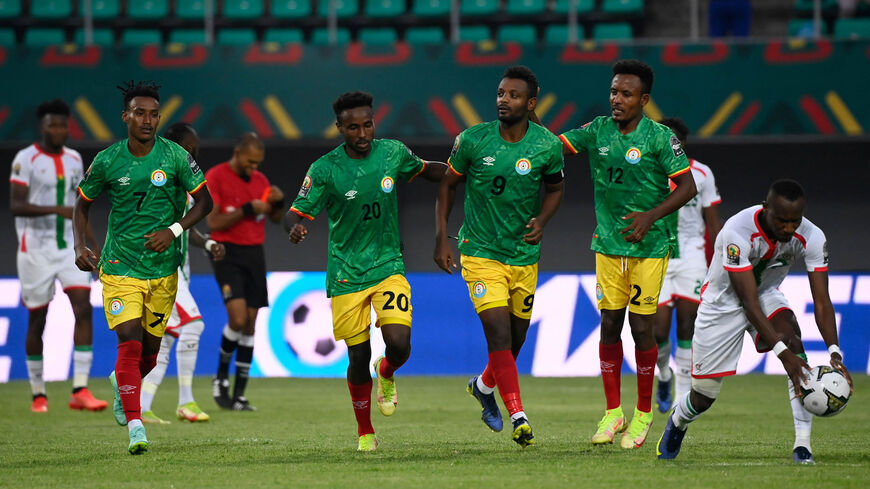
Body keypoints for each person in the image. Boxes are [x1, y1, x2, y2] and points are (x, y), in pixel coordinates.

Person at [287, 91, 446, 451]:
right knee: (357, 358)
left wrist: (461, 172)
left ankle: (387, 370)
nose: (362, 133)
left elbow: (426, 170)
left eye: (368, 124)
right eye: (353, 127)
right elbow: (294, 212)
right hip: (345, 275)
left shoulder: (392, 153)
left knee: (399, 345)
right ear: (340, 128)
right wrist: (294, 227)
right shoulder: (324, 169)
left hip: (388, 265)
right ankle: (365, 431)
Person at [657, 179, 853, 464]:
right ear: (766, 208)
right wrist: (782, 356)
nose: (788, 228)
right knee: (704, 397)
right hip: (723, 303)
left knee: (793, 340)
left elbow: (822, 300)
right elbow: (746, 303)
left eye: (795, 221)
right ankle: (678, 420)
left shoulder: (812, 237)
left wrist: (834, 351)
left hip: (766, 294)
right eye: (782, 221)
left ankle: (803, 446)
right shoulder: (737, 232)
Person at [558, 59, 696, 449]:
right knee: (608, 325)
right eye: (614, 91)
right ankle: (612, 412)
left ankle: (644, 414)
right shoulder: (598, 130)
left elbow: (686, 188)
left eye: (626, 94)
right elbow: (557, 148)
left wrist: (651, 217)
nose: (617, 99)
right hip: (607, 245)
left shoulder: (659, 138)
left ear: (644, 99)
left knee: (642, 329)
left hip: (649, 247)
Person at [74, 81, 213, 454]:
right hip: (120, 267)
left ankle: (124, 385)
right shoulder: (107, 160)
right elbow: (82, 203)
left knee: (150, 353)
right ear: (126, 116)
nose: (147, 120)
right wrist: (80, 245)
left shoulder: (176, 157)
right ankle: (137, 426)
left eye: (153, 114)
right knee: (130, 341)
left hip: (164, 272)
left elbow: (205, 202)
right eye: (140, 113)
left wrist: (173, 230)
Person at [434, 66, 565, 448]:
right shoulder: (472, 140)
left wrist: (542, 219)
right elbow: (447, 187)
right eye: (500, 93)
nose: (503, 100)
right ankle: (519, 416)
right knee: (498, 333)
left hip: (523, 255)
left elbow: (555, 189)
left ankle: (483, 385)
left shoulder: (547, 145)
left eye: (513, 95)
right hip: (480, 252)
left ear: (531, 103)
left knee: (516, 340)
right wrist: (442, 237)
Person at [10, 99, 108, 413]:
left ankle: (80, 388)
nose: (59, 130)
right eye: (53, 124)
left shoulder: (75, 159)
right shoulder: (25, 159)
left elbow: (80, 207)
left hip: (69, 246)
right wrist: (58, 209)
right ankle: (38, 392)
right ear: (42, 127)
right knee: (38, 319)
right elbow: (16, 205)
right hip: (35, 250)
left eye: (63, 125)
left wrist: (94, 245)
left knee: (83, 307)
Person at [140, 122, 226, 424]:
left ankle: (142, 406)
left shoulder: (185, 183)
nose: (193, 156)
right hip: (163, 271)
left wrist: (208, 242)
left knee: (163, 341)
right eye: (189, 150)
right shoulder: (162, 181)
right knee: (193, 325)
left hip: (180, 271)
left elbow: (184, 229)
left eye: (196, 151)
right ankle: (186, 401)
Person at [207, 132, 284, 412]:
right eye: (250, 162)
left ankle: (239, 394)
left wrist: (278, 203)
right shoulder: (216, 177)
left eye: (258, 163)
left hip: (254, 253)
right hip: (226, 251)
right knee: (237, 319)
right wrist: (247, 208)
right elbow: (214, 220)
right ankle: (219, 380)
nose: (254, 168)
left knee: (251, 323)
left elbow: (274, 219)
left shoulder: (261, 181)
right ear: (238, 152)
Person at [653, 117, 722, 413]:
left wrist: (720, 263)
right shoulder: (646, 169)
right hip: (656, 254)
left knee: (686, 325)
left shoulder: (702, 174)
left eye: (675, 141)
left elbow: (713, 223)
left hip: (692, 254)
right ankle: (664, 375)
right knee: (658, 329)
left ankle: (682, 393)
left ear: (682, 144)